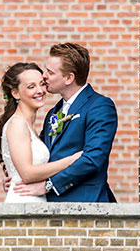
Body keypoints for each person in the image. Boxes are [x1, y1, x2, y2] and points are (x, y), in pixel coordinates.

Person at [7, 42, 118, 203]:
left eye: (50, 72)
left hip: (85, 203)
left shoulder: (99, 106)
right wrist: (16, 177)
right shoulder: (53, 112)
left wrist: (49, 185)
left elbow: (93, 158)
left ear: (69, 78)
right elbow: (42, 155)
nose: (44, 76)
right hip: (50, 205)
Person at [0, 62, 82, 204]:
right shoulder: (17, 124)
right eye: (31, 87)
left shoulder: (31, 126)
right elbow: (28, 174)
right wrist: (72, 160)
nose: (40, 90)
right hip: (24, 201)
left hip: (37, 199)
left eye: (41, 84)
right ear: (15, 93)